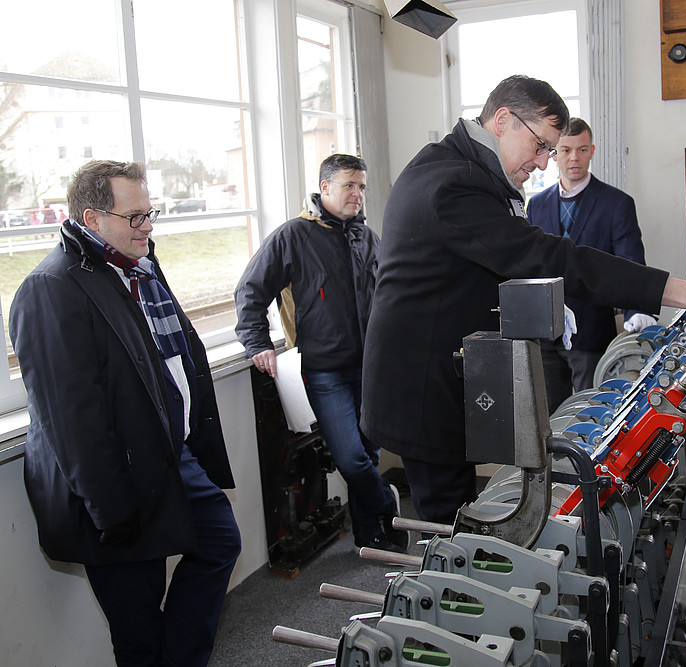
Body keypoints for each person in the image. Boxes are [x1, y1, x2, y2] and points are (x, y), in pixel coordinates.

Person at [361, 75, 686, 527]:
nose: (543, 163)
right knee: (449, 530)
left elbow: (476, 264)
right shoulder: (455, 183)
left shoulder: (463, 166)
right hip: (423, 387)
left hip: (443, 373)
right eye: (541, 146)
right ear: (503, 121)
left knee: (460, 511)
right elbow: (548, 253)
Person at [9, 160, 242, 666]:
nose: (149, 226)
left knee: (221, 541)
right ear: (93, 219)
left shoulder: (136, 268)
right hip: (109, 482)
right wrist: (110, 509)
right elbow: (70, 417)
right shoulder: (52, 289)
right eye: (136, 217)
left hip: (166, 458)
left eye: (149, 213)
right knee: (136, 621)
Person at [233, 154, 406, 553]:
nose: (358, 194)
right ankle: (387, 503)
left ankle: (371, 536)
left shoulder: (365, 237)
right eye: (349, 185)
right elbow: (250, 291)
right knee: (350, 459)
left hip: (370, 368)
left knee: (367, 452)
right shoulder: (293, 235)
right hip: (325, 372)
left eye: (362, 186)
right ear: (324, 188)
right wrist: (257, 342)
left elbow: (388, 294)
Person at [526, 117, 658, 413]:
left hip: (591, 331)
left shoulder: (616, 203)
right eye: (566, 150)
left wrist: (637, 309)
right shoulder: (536, 205)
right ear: (554, 153)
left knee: (592, 414)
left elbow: (630, 262)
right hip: (544, 333)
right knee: (549, 416)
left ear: (592, 150)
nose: (575, 158)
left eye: (582, 149)